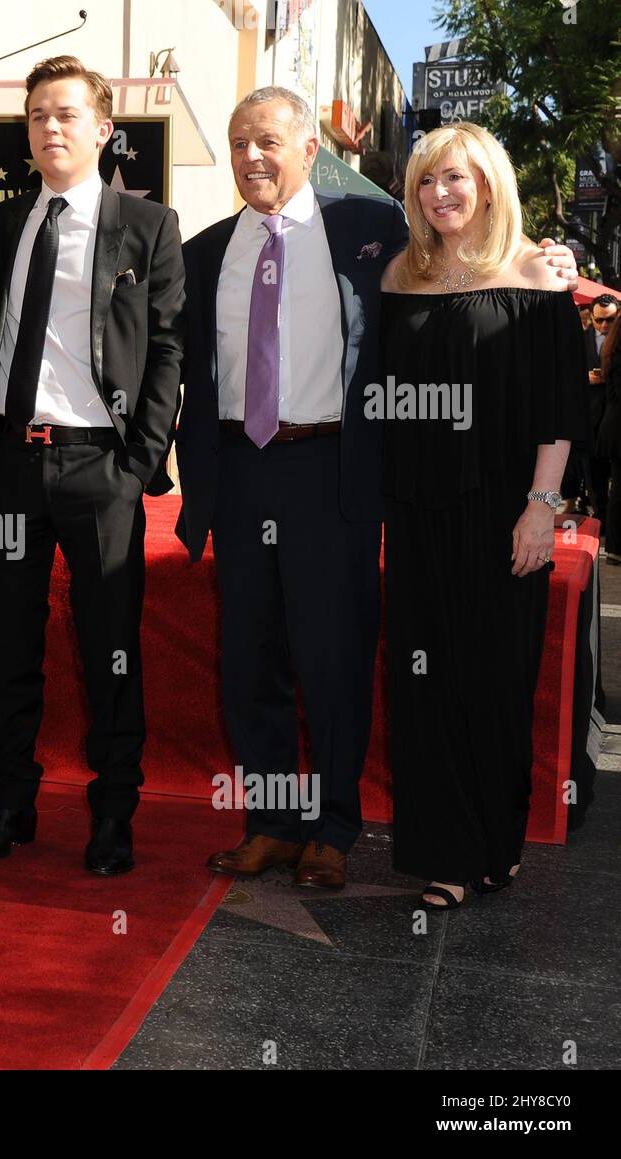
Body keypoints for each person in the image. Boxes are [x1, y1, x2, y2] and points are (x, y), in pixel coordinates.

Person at [174, 87, 579, 890]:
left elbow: (479, 248)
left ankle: (332, 828)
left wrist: (548, 259)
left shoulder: (369, 232)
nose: (253, 156)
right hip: (239, 470)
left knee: (332, 658)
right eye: (238, 141)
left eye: (268, 141)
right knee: (250, 661)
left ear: (304, 148)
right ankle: (272, 822)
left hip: (330, 473)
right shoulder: (204, 250)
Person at [0, 55, 185, 876]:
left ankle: (113, 812)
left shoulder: (148, 227)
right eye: (38, 115)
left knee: (109, 647)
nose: (51, 127)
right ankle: (11, 805)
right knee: (7, 645)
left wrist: (139, 462)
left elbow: (166, 352)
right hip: (11, 461)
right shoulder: (3, 223)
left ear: (102, 127)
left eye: (66, 114)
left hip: (101, 466)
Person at [379, 123, 587, 909]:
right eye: (428, 182)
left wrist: (542, 507)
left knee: (496, 679)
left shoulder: (536, 270)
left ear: (489, 185)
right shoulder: (400, 273)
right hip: (418, 509)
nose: (441, 195)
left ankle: (498, 841)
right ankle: (447, 855)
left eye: (456, 179)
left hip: (506, 509)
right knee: (424, 682)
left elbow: (559, 408)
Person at [584, 295, 617, 517]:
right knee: (594, 470)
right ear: (591, 318)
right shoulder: (579, 338)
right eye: (599, 320)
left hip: (614, 415)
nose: (604, 325)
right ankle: (600, 515)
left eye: (610, 320)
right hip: (591, 414)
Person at [596, 304, 621, 564]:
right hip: (616, 432)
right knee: (619, 493)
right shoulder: (618, 354)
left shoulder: (612, 351)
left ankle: (615, 547)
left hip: (613, 430)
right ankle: (614, 548)